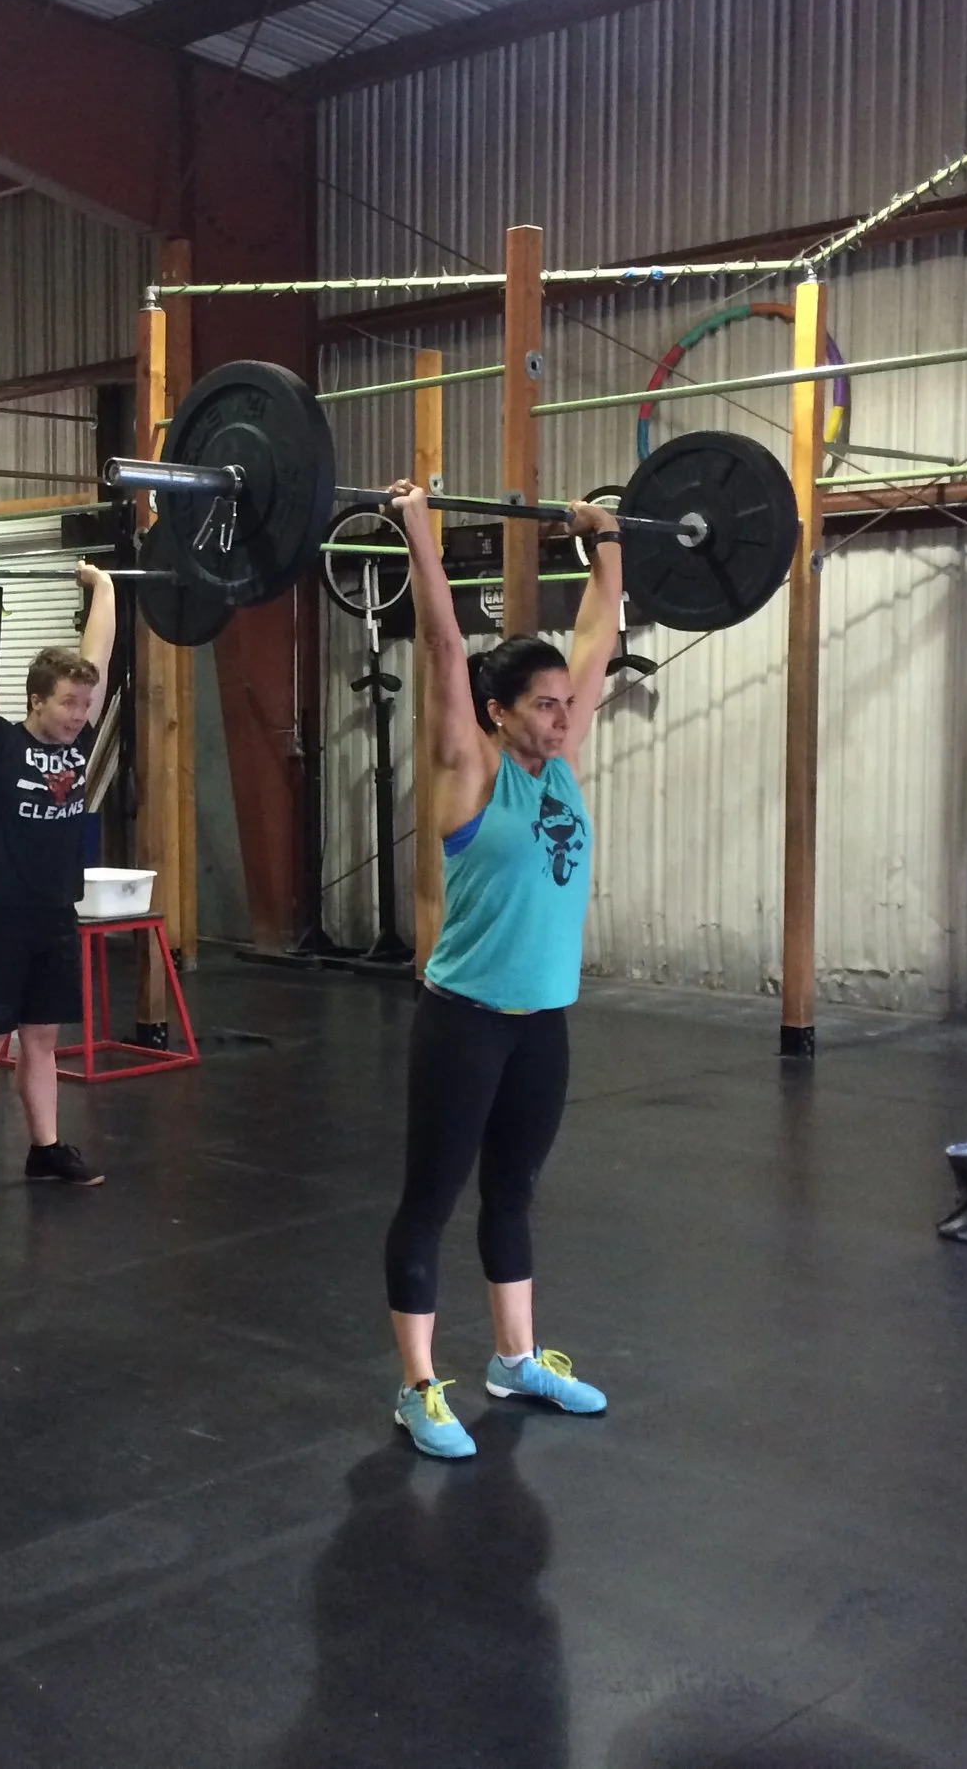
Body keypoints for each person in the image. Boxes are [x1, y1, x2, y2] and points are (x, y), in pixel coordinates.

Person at [384, 488, 622, 1457]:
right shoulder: (469, 770)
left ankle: (514, 1360)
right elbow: (445, 649)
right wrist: (419, 532)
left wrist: (605, 538)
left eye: (567, 704)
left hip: (541, 1024)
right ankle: (415, 1387)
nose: (563, 717)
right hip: (466, 1022)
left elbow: (599, 634)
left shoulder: (559, 763)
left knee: (513, 1193)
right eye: (544, 704)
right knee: (430, 1201)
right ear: (498, 711)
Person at [0, 556, 115, 1212]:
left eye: (85, 704)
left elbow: (98, 653)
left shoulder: (78, 744)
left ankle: (46, 1148)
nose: (79, 714)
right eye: (67, 702)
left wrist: (104, 587)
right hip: (1, 915)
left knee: (43, 1039)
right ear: (36, 699)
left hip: (55, 914)